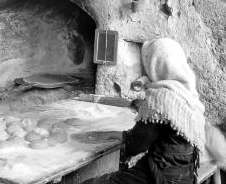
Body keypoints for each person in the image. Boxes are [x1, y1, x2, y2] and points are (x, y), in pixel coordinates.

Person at [82, 38, 213, 184]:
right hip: (185, 176)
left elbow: (135, 145)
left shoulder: (161, 97)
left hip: (160, 177)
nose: (143, 67)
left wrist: (103, 134)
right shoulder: (188, 96)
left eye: (145, 62)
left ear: (155, 65)